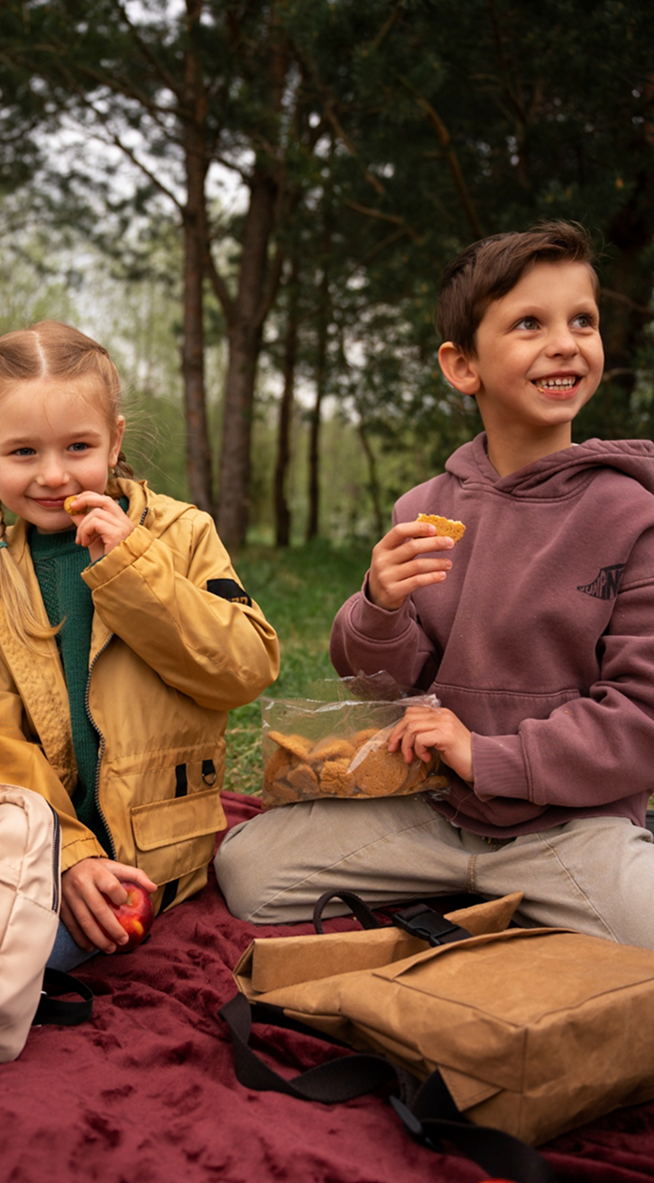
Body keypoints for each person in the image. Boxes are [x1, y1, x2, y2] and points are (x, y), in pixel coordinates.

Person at [215, 220, 654, 948]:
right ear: (462, 365)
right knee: (251, 871)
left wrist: (489, 757)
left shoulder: (629, 514)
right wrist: (377, 607)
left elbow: (640, 718)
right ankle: (478, 896)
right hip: (434, 815)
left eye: (582, 320)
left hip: (568, 828)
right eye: (527, 324)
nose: (565, 342)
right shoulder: (425, 509)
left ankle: (536, 895)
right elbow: (389, 685)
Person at [0, 320, 279, 969]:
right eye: (22, 452)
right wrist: (62, 851)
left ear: (115, 438)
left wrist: (133, 565)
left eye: (77, 445)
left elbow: (244, 667)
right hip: (23, 825)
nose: (54, 475)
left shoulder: (182, 535)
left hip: (137, 860)